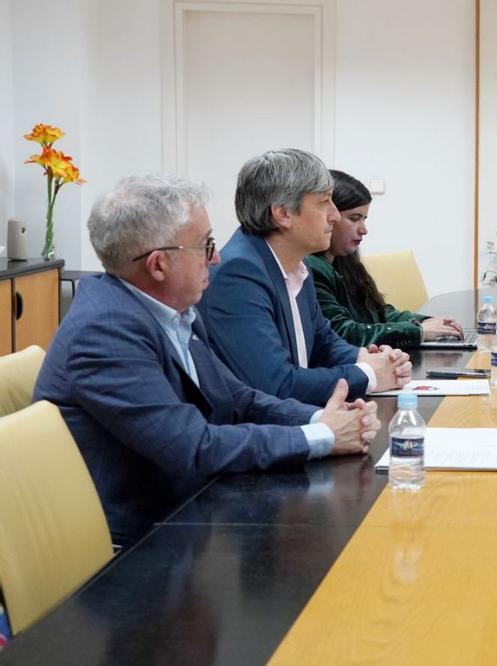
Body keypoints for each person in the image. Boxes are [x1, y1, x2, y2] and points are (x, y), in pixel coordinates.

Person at [33, 174, 380, 546]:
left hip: (185, 511)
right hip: (134, 545)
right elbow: (193, 447)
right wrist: (323, 436)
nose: (216, 259)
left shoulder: (174, 310)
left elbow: (238, 398)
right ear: (158, 265)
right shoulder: (106, 333)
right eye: (205, 246)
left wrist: (321, 418)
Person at [200, 149, 412, 406]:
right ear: (283, 214)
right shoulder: (238, 275)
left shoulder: (296, 263)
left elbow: (324, 341)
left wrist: (366, 358)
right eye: (324, 202)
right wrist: (369, 375)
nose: (335, 215)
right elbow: (278, 385)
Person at [306, 170, 461, 349]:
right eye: (354, 219)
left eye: (364, 219)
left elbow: (377, 312)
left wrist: (424, 321)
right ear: (329, 217)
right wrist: (418, 331)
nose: (364, 230)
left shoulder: (345, 262)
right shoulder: (312, 268)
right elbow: (343, 333)